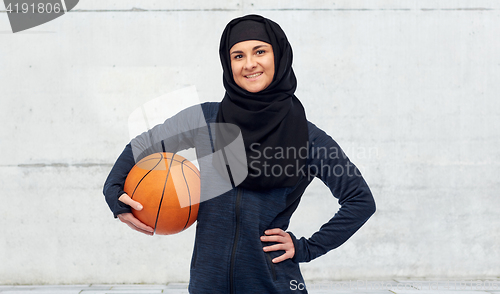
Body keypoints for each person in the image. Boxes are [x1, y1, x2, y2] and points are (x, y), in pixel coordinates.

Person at [103, 14, 376, 294]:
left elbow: (360, 201)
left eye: (260, 51)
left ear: (278, 56)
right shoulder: (206, 120)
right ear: (227, 63)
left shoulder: (307, 137)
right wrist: (114, 194)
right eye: (238, 55)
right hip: (207, 285)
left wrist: (305, 247)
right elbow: (143, 144)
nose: (249, 64)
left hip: (273, 285)